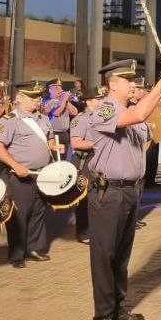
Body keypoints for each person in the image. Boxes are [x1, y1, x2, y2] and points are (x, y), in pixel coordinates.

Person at [86, 59, 161, 320]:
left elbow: (150, 129)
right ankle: (102, 315)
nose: (134, 85)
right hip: (108, 191)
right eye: (129, 81)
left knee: (122, 255)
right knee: (104, 255)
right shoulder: (104, 109)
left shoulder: (130, 110)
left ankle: (118, 308)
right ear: (112, 84)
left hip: (130, 190)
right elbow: (137, 117)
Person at [0, 81, 54, 268]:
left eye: (38, 97)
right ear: (19, 98)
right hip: (20, 175)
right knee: (18, 216)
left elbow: (48, 138)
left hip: (41, 173)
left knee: (38, 212)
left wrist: (53, 146)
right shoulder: (9, 120)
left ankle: (34, 248)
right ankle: (17, 254)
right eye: (33, 97)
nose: (37, 100)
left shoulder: (43, 118)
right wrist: (15, 165)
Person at [69, 86, 107, 243]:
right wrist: (97, 143)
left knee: (100, 196)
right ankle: (84, 233)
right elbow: (75, 142)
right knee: (85, 198)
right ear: (90, 101)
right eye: (99, 99)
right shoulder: (81, 119)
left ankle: (97, 229)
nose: (103, 101)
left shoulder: (102, 117)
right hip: (85, 161)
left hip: (99, 159)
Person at [42, 78, 78, 159]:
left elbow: (74, 112)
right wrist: (64, 99)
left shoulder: (63, 101)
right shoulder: (48, 101)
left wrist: (66, 101)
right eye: (56, 88)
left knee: (64, 158)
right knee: (55, 157)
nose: (60, 90)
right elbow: (56, 113)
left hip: (65, 134)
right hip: (53, 134)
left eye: (60, 87)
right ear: (49, 90)